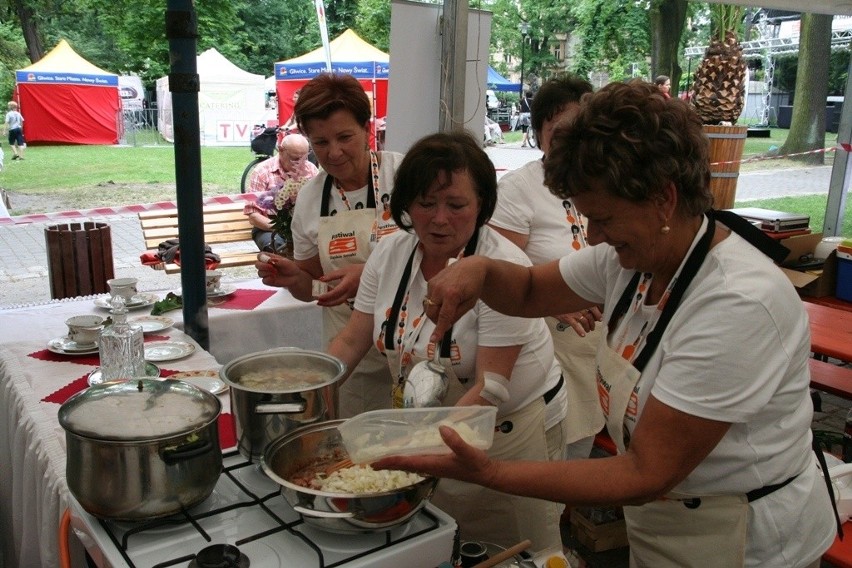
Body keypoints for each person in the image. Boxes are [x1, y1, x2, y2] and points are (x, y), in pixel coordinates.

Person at [378, 81, 837, 568]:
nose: (593, 235)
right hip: (665, 524)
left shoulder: (737, 304)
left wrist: (490, 471)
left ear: (663, 199)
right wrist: (482, 270)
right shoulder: (629, 261)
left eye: (602, 217)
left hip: (746, 540)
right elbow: (532, 290)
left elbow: (644, 473)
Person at [328, 130, 565, 552]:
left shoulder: (503, 267)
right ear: (404, 206)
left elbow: (490, 388)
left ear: (482, 207)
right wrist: (310, 395)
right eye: (424, 203)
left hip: (505, 434)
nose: (439, 219)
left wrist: (407, 446)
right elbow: (351, 341)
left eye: (456, 205)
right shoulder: (389, 253)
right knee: (440, 542)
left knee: (509, 548)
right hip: (434, 428)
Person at [256, 73, 402, 418]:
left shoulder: (406, 174)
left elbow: (448, 254)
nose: (333, 153)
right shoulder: (310, 199)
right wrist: (294, 279)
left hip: (415, 344)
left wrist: (368, 275)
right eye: (320, 142)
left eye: (345, 137)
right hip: (352, 354)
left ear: (367, 128)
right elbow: (314, 288)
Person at [489, 74, 603, 461]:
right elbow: (496, 275)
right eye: (558, 131)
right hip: (548, 350)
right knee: (552, 457)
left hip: (601, 348)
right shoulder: (519, 190)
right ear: (539, 134)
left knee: (584, 455)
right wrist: (554, 300)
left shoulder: (605, 182)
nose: (570, 141)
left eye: (580, 131)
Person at [243, 133, 318, 253]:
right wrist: (283, 229)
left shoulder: (311, 170)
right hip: (268, 228)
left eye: (304, 158)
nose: (300, 163)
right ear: (281, 150)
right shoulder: (262, 171)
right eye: (295, 158)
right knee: (278, 251)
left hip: (304, 227)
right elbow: (254, 217)